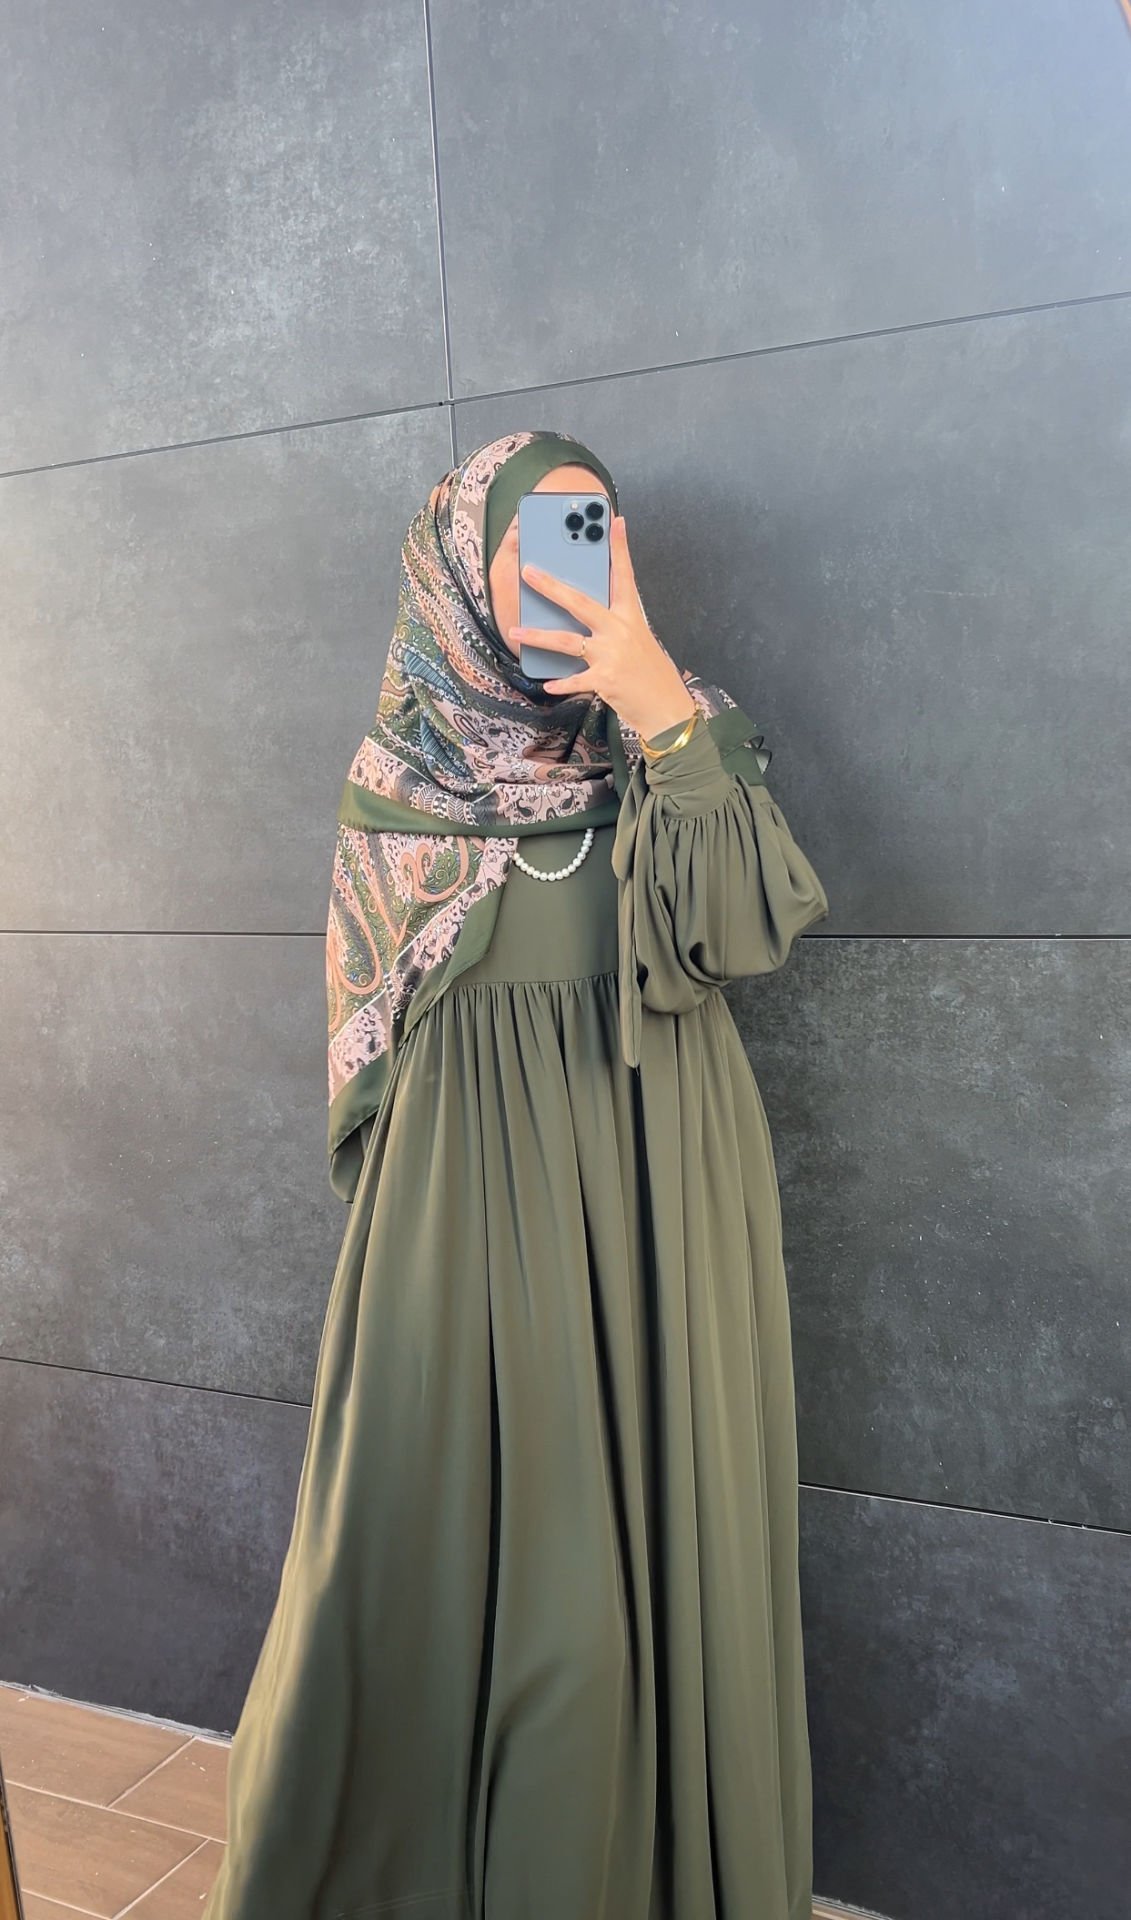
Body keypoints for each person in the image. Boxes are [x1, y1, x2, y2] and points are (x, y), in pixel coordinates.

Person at [202, 428, 830, 1920]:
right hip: (472, 1204)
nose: (568, 573)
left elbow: (740, 929)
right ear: (454, 575)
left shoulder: (681, 738)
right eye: (534, 542)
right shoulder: (402, 779)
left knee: (657, 1558)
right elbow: (373, 1046)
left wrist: (659, 705)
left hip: (664, 1179)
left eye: (592, 530)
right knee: (489, 1572)